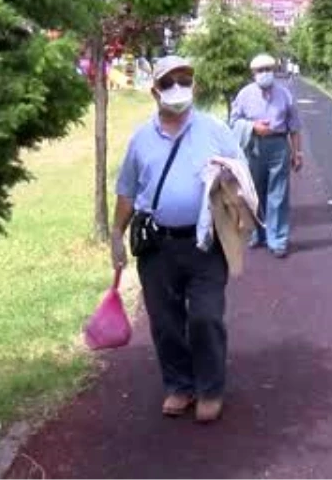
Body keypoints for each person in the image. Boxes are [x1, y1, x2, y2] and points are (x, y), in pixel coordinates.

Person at [111, 55, 244, 423]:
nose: (178, 88)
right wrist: (116, 235)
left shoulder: (215, 130)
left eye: (185, 79)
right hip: (157, 246)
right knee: (165, 321)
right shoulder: (141, 139)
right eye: (169, 82)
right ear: (154, 91)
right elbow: (126, 191)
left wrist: (229, 183)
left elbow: (241, 176)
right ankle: (179, 385)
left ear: (195, 85)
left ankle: (210, 388)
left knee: (204, 317)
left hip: (205, 242)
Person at [228, 53, 304, 257]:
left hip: (278, 145)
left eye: (268, 69)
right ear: (253, 73)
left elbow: (294, 127)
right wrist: (253, 127)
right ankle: (257, 233)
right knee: (254, 192)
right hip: (254, 147)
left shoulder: (285, 95)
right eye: (260, 71)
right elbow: (233, 121)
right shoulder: (244, 95)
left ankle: (277, 239)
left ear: (274, 70)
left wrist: (297, 152)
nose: (264, 74)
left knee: (278, 194)